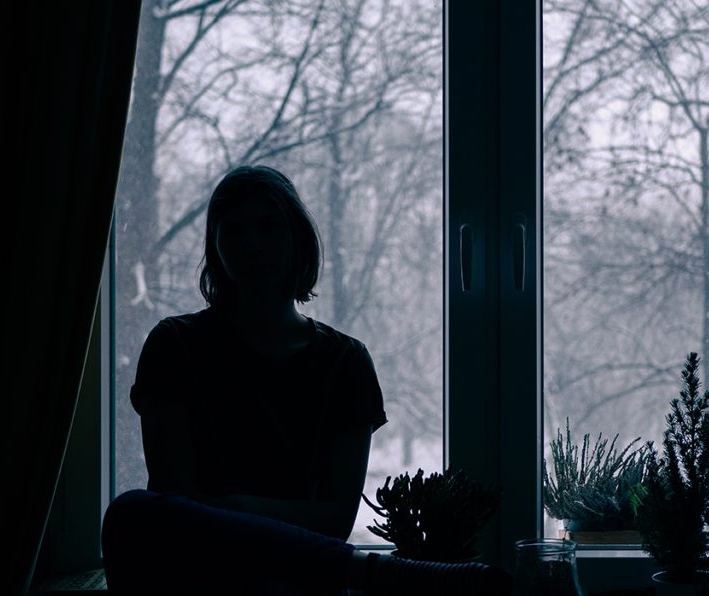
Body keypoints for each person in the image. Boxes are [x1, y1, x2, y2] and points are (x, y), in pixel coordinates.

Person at [101, 165, 512, 595]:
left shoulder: (345, 362)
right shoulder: (175, 345)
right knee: (131, 512)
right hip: (199, 574)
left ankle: (375, 572)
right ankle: (378, 572)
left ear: (297, 238)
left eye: (268, 227)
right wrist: (271, 517)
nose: (252, 245)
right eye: (234, 231)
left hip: (296, 582)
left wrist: (236, 507)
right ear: (216, 245)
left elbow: (336, 519)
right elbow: (175, 500)